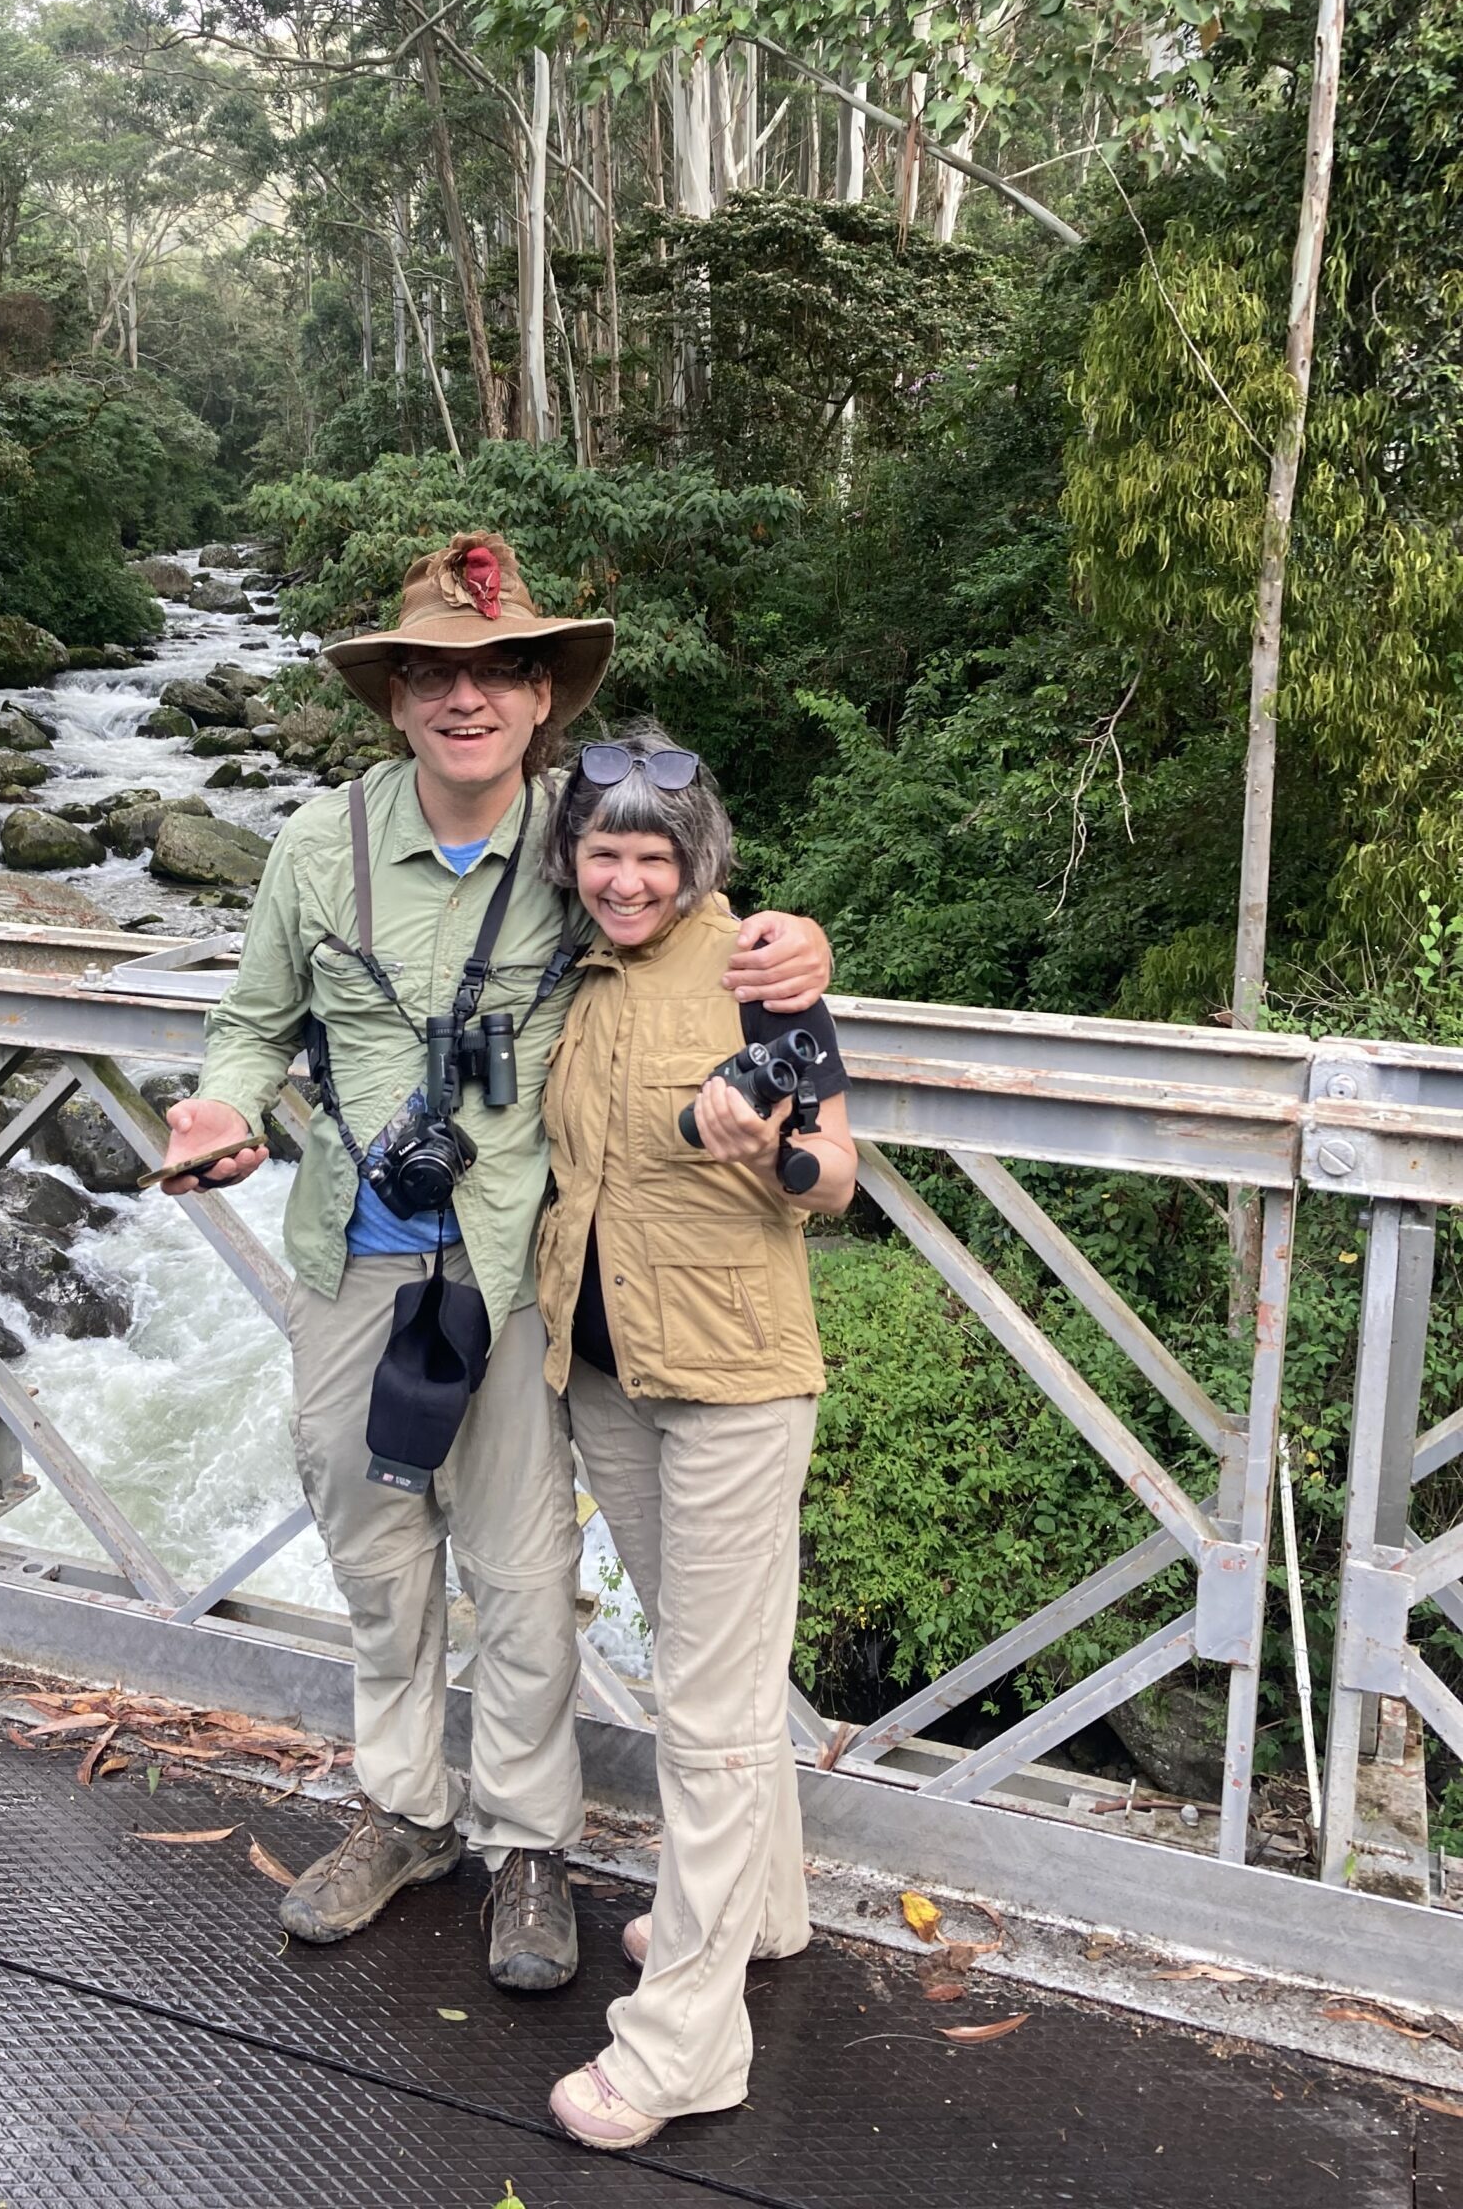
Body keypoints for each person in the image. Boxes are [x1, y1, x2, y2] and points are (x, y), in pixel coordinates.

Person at [156, 533, 833, 1993]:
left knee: (524, 1573)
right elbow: (251, 1025)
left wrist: (800, 948)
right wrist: (220, 1105)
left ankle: (532, 1843)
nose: (468, 698)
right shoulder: (312, 846)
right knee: (376, 1553)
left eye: (501, 672)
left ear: (544, 703)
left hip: (521, 1273)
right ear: (394, 700)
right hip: (353, 1254)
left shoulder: (581, 841)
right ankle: (408, 1812)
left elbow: (716, 927)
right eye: (434, 674)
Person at [534, 732, 857, 2150]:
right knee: (704, 1664)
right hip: (602, 1371)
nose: (624, 878)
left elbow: (835, 1176)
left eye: (652, 857)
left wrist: (767, 1150)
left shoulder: (758, 964)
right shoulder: (570, 964)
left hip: (731, 1382)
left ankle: (683, 2046)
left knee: (708, 1713)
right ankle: (762, 1911)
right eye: (603, 852)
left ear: (696, 863)